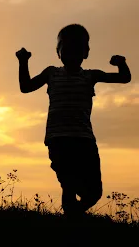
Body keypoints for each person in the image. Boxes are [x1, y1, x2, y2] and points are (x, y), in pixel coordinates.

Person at [16, 24, 132, 217]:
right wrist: (23, 61)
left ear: (86, 53)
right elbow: (26, 87)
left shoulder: (90, 76)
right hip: (58, 139)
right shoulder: (51, 73)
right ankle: (71, 220)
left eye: (77, 49)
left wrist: (121, 62)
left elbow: (124, 78)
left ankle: (73, 214)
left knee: (94, 193)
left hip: (84, 140)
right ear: (58, 52)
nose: (71, 53)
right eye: (66, 49)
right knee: (68, 185)